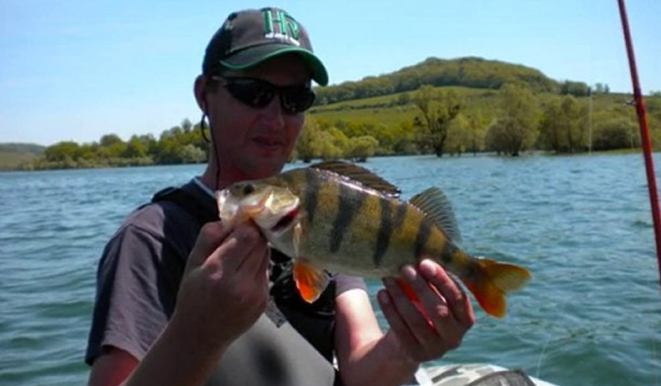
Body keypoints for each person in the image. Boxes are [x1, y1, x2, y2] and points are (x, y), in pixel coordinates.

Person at [85, 7, 474, 386]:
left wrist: (409, 344)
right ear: (205, 95)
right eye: (253, 92)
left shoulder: (324, 216)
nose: (274, 119)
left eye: (295, 99)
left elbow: (362, 371)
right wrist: (196, 336)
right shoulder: (151, 239)